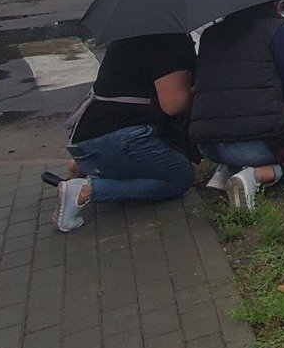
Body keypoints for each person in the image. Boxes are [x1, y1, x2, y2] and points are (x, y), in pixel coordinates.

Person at [55, 29, 197, 231]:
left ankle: (88, 168)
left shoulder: (130, 35)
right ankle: (86, 190)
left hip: (86, 141)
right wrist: (200, 91)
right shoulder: (168, 41)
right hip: (120, 141)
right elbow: (173, 104)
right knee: (180, 177)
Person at [188, 0, 284, 212]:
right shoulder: (278, 31)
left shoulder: (210, 35)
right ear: (276, 2)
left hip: (208, 147)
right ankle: (252, 176)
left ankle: (224, 170)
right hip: (250, 149)